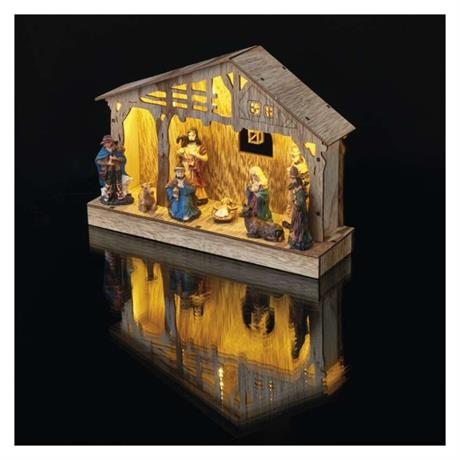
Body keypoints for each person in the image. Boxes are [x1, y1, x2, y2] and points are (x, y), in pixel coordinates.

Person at [95, 135, 133, 205]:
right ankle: (107, 195)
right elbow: (97, 160)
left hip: (117, 169)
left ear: (111, 142)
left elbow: (123, 159)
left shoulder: (117, 149)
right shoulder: (103, 150)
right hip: (108, 170)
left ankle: (120, 195)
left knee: (118, 182)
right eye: (105, 143)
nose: (107, 144)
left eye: (108, 142)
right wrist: (107, 163)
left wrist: (116, 159)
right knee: (109, 183)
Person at [176, 128, 209, 205]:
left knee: (196, 183)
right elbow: (178, 155)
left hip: (194, 168)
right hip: (185, 168)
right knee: (184, 181)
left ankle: (198, 197)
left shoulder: (200, 147)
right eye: (189, 135)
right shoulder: (185, 146)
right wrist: (179, 153)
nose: (191, 137)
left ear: (196, 135)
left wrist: (197, 155)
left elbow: (205, 158)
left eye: (193, 135)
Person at [287, 166, 313, 250]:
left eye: (293, 179)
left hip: (300, 212)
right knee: (294, 224)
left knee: (299, 225)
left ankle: (299, 240)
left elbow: (301, 201)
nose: (292, 181)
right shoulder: (296, 189)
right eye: (291, 178)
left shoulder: (300, 191)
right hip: (296, 210)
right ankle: (294, 238)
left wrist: (296, 203)